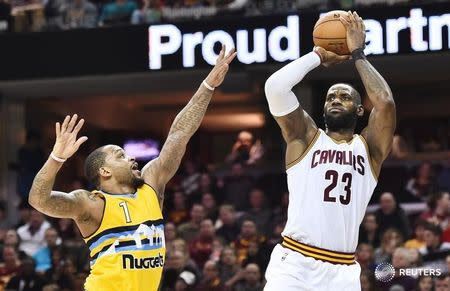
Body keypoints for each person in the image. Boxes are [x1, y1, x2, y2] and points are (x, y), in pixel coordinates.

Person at [27, 45, 236, 291]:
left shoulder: (151, 185)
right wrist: (56, 158)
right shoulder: (92, 204)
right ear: (104, 171)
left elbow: (179, 134)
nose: (132, 158)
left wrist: (208, 86)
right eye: (121, 155)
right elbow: (38, 200)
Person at [263, 12, 396, 291]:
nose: (336, 99)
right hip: (294, 263)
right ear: (323, 109)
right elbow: (275, 88)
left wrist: (358, 53)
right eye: (330, 97)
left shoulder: (369, 149)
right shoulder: (305, 137)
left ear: (360, 110)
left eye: (345, 97)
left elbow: (384, 103)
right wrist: (317, 57)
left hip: (342, 270)